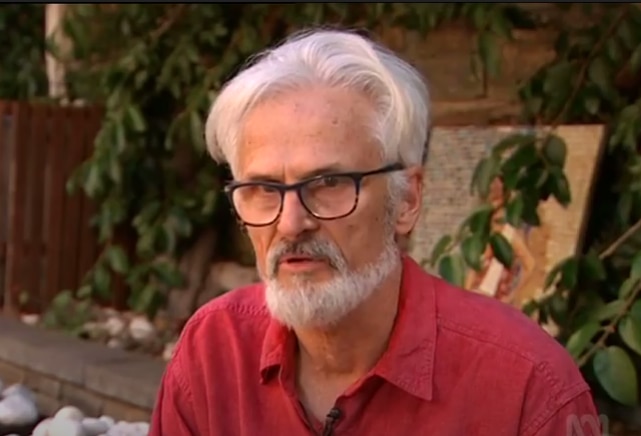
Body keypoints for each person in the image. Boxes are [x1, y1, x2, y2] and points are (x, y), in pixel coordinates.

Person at [149, 28, 600, 436]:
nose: (290, 223)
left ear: (407, 200)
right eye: (264, 189)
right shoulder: (215, 350)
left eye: (329, 184)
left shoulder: (527, 387)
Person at [465, 176, 537, 306]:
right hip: (474, 297)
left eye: (497, 198)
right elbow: (473, 269)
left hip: (493, 302)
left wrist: (512, 295)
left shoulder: (509, 235)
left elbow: (530, 265)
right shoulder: (482, 232)